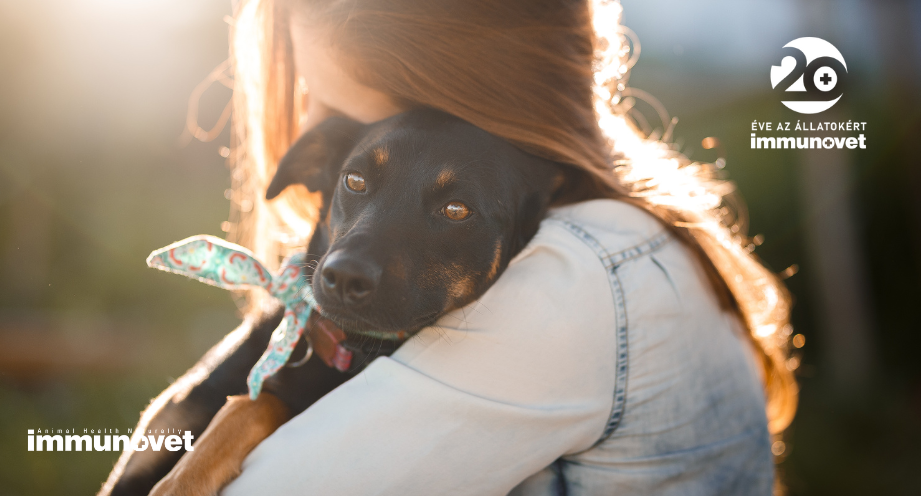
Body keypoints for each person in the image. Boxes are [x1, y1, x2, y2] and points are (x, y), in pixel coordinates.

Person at [105, 0, 798, 494]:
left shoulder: (564, 288)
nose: (311, 124)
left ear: (451, 97)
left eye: (339, 105)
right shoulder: (626, 234)